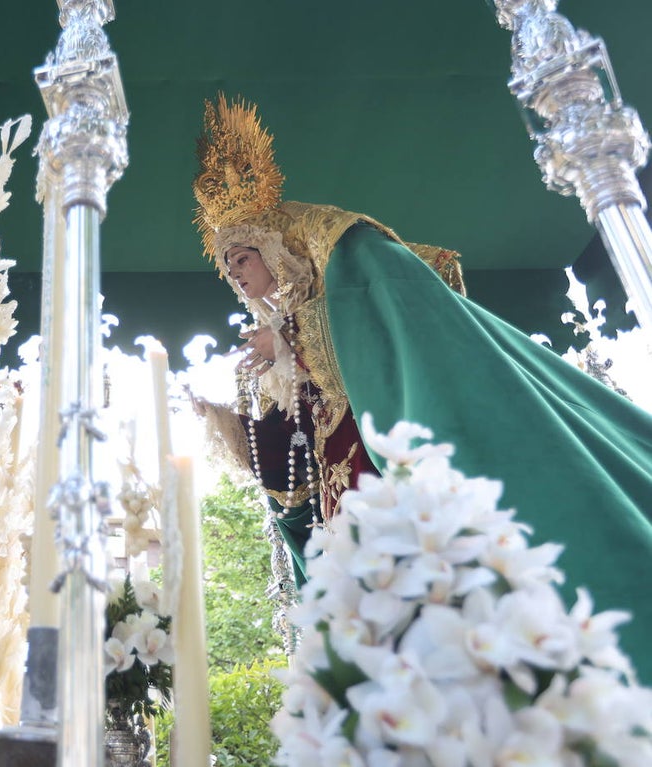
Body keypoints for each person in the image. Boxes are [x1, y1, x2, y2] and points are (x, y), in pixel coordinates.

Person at [189, 94, 652, 676]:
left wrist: (290, 337)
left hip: (386, 472)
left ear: (279, 251)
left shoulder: (340, 298)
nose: (234, 271)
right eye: (226, 264)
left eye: (243, 255)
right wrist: (230, 424)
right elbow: (294, 460)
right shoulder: (284, 345)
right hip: (344, 511)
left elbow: (377, 335)